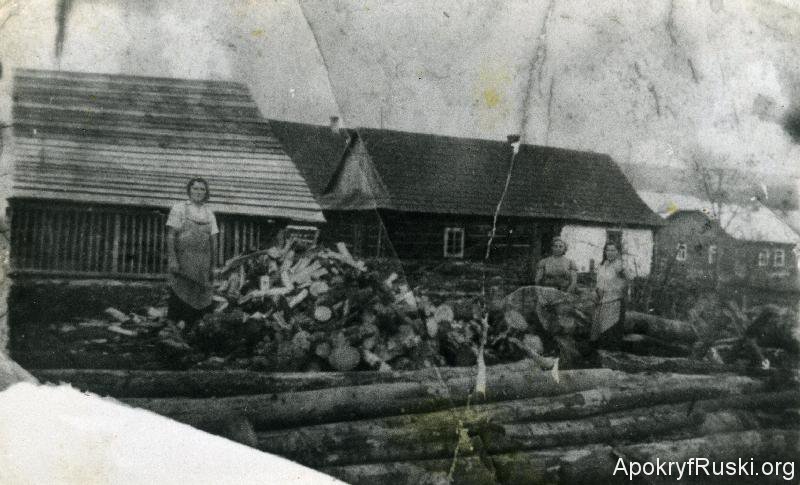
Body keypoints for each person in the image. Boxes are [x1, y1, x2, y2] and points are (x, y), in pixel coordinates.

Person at [166, 177, 218, 326]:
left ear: (206, 193)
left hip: (203, 264)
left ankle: (194, 329)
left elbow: (214, 241)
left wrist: (213, 266)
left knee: (201, 298)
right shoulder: (179, 208)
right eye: (195, 188)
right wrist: (173, 259)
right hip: (183, 262)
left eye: (202, 189)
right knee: (180, 294)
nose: (198, 192)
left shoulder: (209, 213)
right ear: (189, 190)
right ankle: (173, 329)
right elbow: (171, 235)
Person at [591, 241, 630, 345]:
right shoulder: (601, 265)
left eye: (613, 250)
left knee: (611, 333)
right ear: (605, 251)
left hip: (615, 302)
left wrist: (623, 297)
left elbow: (627, 283)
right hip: (601, 302)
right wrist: (595, 292)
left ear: (617, 252)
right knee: (598, 332)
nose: (610, 252)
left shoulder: (620, 266)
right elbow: (599, 282)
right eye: (608, 250)